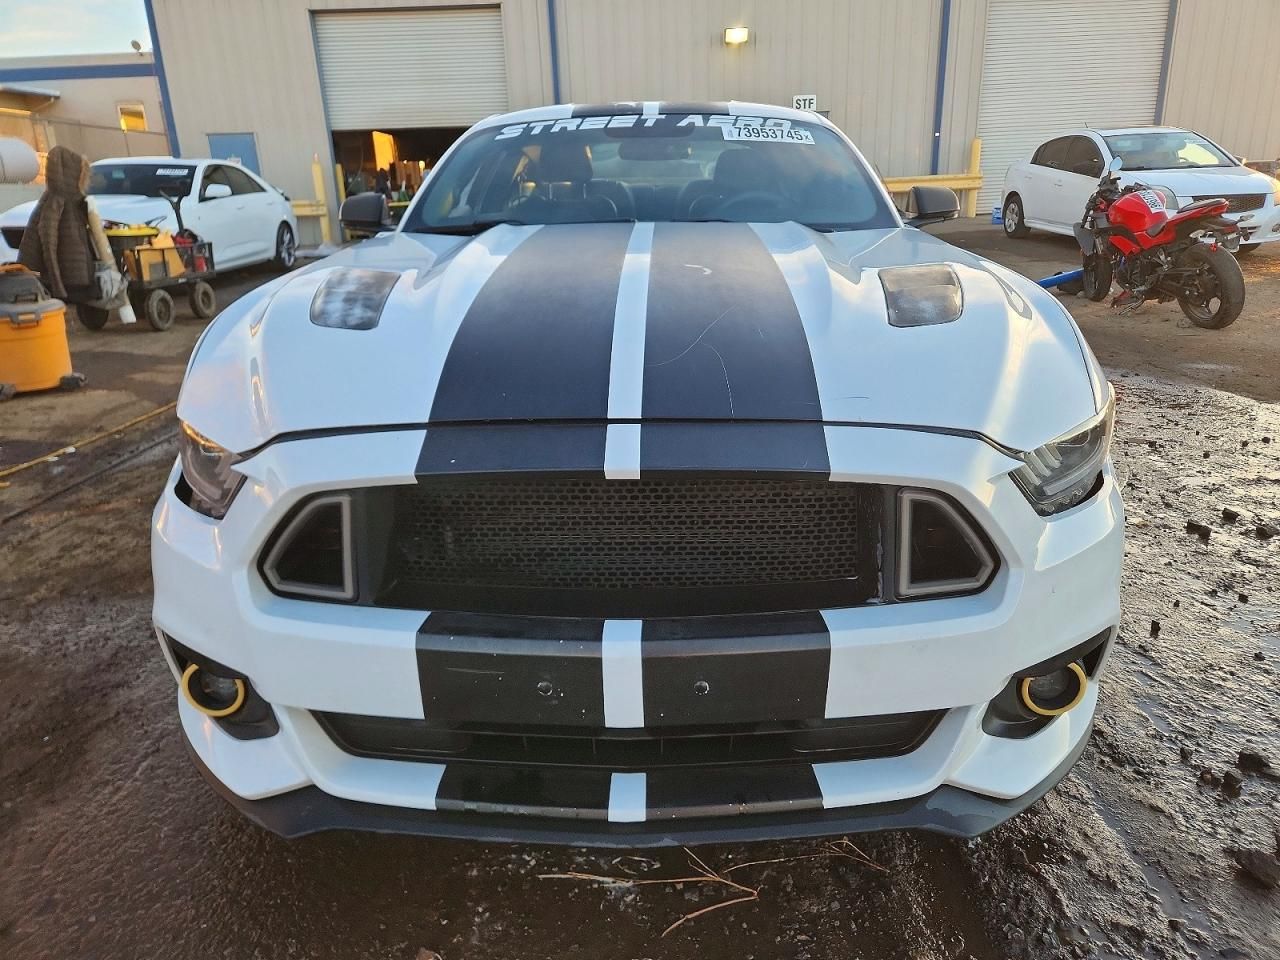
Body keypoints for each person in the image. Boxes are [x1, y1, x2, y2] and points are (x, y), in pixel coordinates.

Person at [18, 145, 96, 301]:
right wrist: (57, 285)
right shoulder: (56, 202)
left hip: (72, 278)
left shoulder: (65, 201)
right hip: (69, 281)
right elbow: (48, 241)